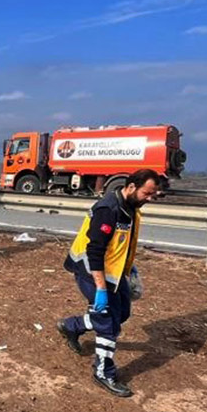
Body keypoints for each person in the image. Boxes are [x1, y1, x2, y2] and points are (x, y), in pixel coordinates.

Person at [56, 169, 162, 398]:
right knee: (108, 324)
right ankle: (103, 372)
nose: (150, 199)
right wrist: (101, 289)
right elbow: (94, 252)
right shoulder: (108, 209)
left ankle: (71, 326)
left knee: (121, 313)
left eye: (153, 195)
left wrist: (129, 267)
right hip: (91, 272)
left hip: (114, 273)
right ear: (132, 186)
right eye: (147, 193)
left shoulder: (131, 207)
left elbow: (120, 242)